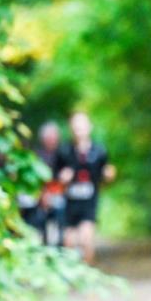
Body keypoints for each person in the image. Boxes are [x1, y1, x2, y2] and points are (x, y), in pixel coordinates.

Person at [57, 112, 115, 264]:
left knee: (86, 238)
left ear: (89, 127)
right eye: (75, 127)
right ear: (71, 129)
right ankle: (71, 276)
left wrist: (108, 175)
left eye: (81, 126)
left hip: (89, 201)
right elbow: (54, 179)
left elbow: (106, 176)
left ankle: (86, 273)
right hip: (69, 203)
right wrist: (62, 178)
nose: (78, 130)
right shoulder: (64, 151)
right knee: (68, 242)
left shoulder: (99, 151)